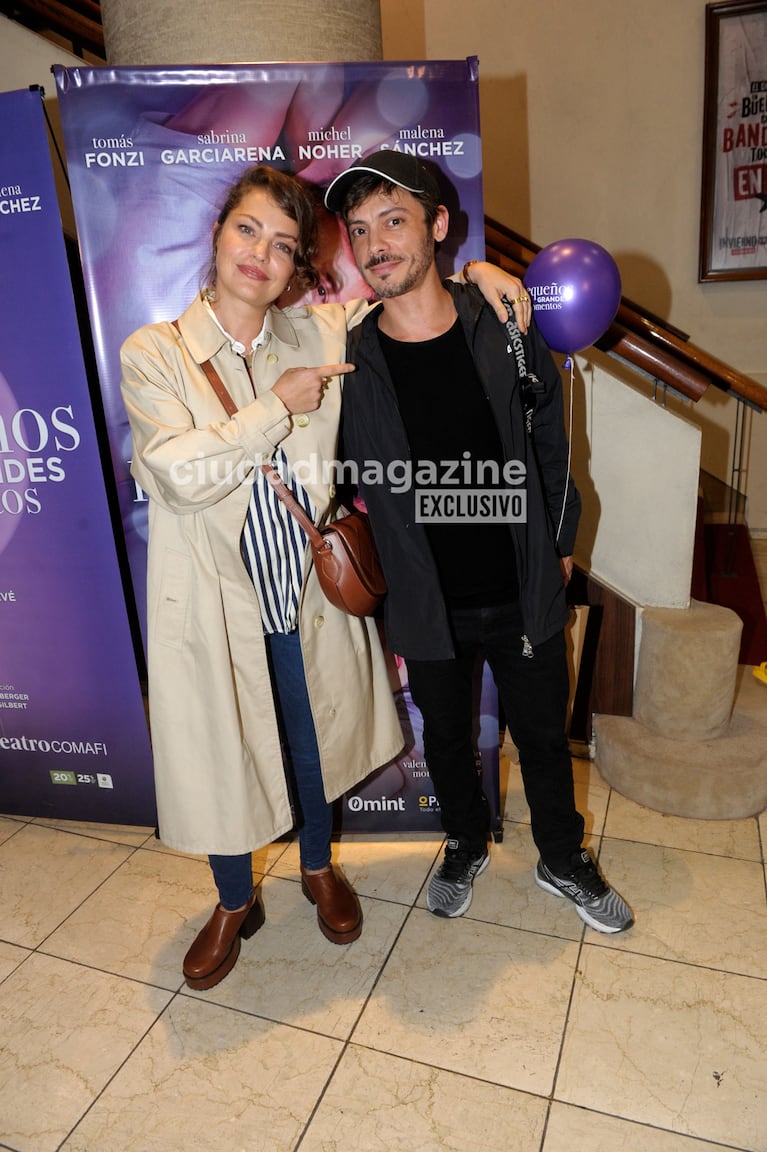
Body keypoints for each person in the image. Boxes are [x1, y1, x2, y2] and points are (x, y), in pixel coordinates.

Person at [120, 164, 532, 991]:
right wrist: (273, 407)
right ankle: (233, 900)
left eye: (282, 244)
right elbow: (175, 472)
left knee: (308, 746)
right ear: (217, 234)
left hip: (306, 597)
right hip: (214, 603)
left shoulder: (316, 334)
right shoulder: (154, 352)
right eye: (248, 230)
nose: (260, 255)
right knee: (223, 754)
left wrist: (478, 270)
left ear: (298, 266)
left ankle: (316, 868)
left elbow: (401, 284)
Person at [325, 151, 634, 934]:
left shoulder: (504, 326)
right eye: (358, 230)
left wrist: (558, 544)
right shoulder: (348, 358)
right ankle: (463, 842)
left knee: (539, 735)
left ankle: (561, 858)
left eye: (394, 220)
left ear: (436, 225)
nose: (374, 245)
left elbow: (553, 446)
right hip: (425, 598)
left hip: (519, 585)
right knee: (448, 736)